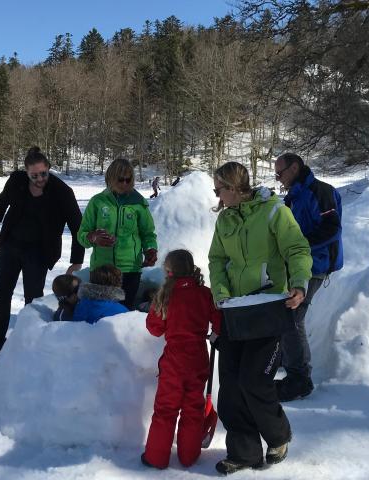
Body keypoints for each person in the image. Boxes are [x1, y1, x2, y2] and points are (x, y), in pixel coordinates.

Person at [208, 161, 312, 475]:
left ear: (235, 187)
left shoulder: (274, 212)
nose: (217, 195)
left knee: (254, 380)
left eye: (219, 189)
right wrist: (221, 290)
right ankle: (244, 453)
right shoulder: (225, 220)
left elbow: (297, 248)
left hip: (268, 306)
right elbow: (217, 259)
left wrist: (298, 283)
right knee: (229, 388)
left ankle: (279, 436)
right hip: (234, 310)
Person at [0, 146, 85, 366]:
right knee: (2, 294)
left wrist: (76, 262)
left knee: (32, 299)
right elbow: (1, 204)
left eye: (43, 173)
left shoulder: (62, 191)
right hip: (11, 245)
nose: (40, 179)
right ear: (26, 172)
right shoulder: (16, 181)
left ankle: (28, 344)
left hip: (40, 251)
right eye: (34, 175)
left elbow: (77, 227)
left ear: (49, 169)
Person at [142, 249, 221, 470]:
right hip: (198, 358)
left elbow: (154, 328)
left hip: (174, 361)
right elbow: (219, 321)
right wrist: (214, 332)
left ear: (169, 272)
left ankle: (156, 457)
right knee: (193, 408)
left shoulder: (165, 295)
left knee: (166, 409)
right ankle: (189, 455)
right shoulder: (205, 293)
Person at [274, 152, 343, 402]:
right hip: (297, 264)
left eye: (280, 173)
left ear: (294, 168)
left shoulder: (320, 192)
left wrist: (300, 246)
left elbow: (332, 229)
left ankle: (300, 379)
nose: (278, 178)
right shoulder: (293, 196)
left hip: (316, 264)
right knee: (284, 313)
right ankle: (284, 360)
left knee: (293, 316)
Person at [78, 158, 158, 309]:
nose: (125, 184)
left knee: (123, 314)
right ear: (111, 178)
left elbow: (148, 233)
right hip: (101, 271)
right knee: (99, 313)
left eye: (129, 180)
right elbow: (82, 234)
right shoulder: (97, 202)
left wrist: (150, 249)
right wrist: (93, 237)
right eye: (120, 179)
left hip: (130, 270)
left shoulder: (138, 203)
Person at [52, 265, 128, 323]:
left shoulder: (80, 305)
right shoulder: (123, 312)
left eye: (80, 286)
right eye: (76, 289)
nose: (80, 291)